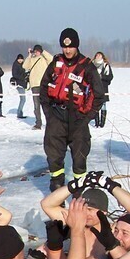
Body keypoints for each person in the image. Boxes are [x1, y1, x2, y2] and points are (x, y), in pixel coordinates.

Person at [40, 27, 106, 191]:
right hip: (56, 117)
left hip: (78, 119)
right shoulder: (56, 63)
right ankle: (57, 197)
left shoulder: (87, 66)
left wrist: (86, 118)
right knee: (54, 160)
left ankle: (79, 198)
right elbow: (43, 89)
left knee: (79, 161)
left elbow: (99, 96)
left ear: (77, 46)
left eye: (70, 46)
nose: (67, 50)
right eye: (64, 46)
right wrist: (49, 114)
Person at [23, 44, 52, 130]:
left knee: (46, 104)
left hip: (43, 84)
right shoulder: (31, 60)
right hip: (34, 85)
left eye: (38, 51)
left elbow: (51, 59)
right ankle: (38, 123)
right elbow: (25, 66)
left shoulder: (44, 59)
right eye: (35, 51)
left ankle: (50, 122)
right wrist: (29, 55)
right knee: (36, 105)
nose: (36, 53)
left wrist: (43, 52)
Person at [92, 52, 113, 128]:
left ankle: (102, 123)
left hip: (103, 88)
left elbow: (110, 77)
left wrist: (101, 76)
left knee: (103, 105)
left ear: (102, 57)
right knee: (95, 105)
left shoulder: (106, 65)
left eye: (99, 55)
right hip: (94, 88)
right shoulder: (91, 65)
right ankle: (96, 122)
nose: (98, 56)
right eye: (97, 55)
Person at [11, 54, 28, 119]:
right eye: (19, 59)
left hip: (23, 83)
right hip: (18, 84)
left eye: (21, 59)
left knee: (22, 99)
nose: (20, 60)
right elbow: (15, 74)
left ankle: (20, 113)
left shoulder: (23, 65)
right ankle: (19, 113)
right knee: (23, 99)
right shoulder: (15, 65)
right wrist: (23, 76)